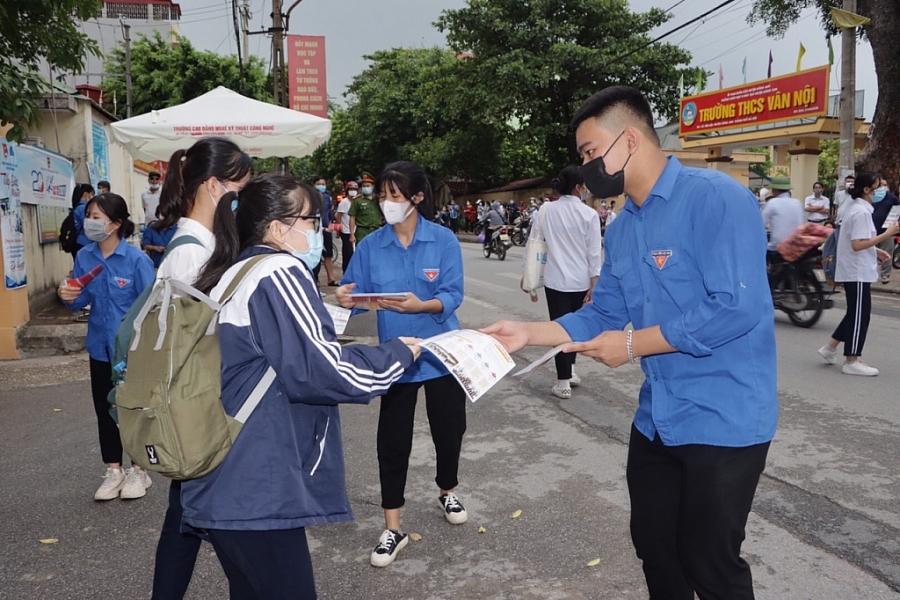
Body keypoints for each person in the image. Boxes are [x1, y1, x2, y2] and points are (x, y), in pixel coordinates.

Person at [483, 86, 776, 599]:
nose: (587, 166)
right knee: (656, 550)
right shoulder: (621, 229)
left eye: (591, 152)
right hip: (658, 420)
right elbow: (602, 315)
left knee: (709, 563)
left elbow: (737, 306)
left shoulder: (714, 197)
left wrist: (635, 344)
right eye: (582, 157)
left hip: (724, 418)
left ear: (631, 139)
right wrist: (527, 333)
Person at [182, 174, 419, 599]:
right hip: (257, 485)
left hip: (229, 478)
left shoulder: (235, 271)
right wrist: (400, 354)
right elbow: (321, 371)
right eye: (312, 220)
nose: (319, 230)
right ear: (278, 228)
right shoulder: (278, 270)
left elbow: (286, 346)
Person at [335, 161, 468, 569]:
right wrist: (343, 298)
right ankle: (393, 526)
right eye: (382, 196)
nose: (386, 203)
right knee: (393, 440)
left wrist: (422, 304)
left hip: (442, 352)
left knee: (450, 429)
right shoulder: (372, 246)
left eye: (395, 196)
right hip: (396, 357)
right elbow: (355, 296)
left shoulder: (443, 240)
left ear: (417, 198)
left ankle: (447, 488)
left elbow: (452, 294)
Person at [150, 136, 252, 600]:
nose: (243, 197)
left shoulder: (205, 242)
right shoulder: (191, 251)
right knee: (226, 526)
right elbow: (192, 340)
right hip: (200, 401)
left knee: (187, 521)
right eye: (240, 186)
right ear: (214, 185)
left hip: (201, 400)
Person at [57, 193, 156, 501]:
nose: (90, 221)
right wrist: (68, 296)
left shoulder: (137, 260)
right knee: (105, 410)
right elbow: (82, 299)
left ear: (115, 224)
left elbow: (152, 306)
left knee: (133, 409)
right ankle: (114, 470)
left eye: (97, 216)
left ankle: (139, 469)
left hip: (131, 351)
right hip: (100, 347)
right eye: (89, 214)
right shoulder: (85, 256)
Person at [522, 165, 602, 399]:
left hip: (555, 280)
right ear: (579, 187)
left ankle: (564, 381)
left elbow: (533, 243)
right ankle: (570, 372)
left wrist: (526, 274)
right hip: (581, 280)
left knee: (559, 330)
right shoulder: (590, 215)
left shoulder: (546, 210)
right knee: (575, 328)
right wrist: (594, 282)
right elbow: (594, 253)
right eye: (585, 185)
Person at [818, 172, 899, 376]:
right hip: (857, 271)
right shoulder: (861, 212)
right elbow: (857, 244)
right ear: (866, 189)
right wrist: (887, 235)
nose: (882, 189)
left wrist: (876, 250)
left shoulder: (857, 209)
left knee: (856, 312)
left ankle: (830, 348)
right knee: (860, 315)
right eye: (878, 185)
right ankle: (852, 359)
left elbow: (856, 241)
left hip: (856, 268)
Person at [761, 177, 805, 254]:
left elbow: (760, 223)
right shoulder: (798, 203)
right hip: (796, 247)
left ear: (775, 190)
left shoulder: (772, 202)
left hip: (777, 248)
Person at [870, 177, 900, 284]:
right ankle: (872, 273)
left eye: (884, 184)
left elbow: (897, 212)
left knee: (887, 252)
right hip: (872, 229)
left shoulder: (892, 198)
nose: (882, 187)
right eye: (880, 185)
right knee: (872, 253)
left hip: (887, 230)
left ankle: (885, 275)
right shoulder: (872, 198)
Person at [312, 176, 337, 286]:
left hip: (327, 228)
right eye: (319, 184)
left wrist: (331, 224)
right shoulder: (311, 196)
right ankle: (315, 279)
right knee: (316, 253)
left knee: (328, 254)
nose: (321, 186)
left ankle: (331, 278)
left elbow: (330, 212)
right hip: (315, 229)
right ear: (314, 185)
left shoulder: (327, 197)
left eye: (323, 184)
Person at [350, 172, 382, 244]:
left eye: (368, 186)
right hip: (362, 232)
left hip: (377, 231)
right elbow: (352, 217)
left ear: (373, 186)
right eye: (364, 186)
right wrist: (352, 234)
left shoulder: (378, 199)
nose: (366, 188)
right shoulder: (357, 200)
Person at [336, 181, 357, 271]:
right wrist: (338, 230)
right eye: (351, 189)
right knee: (347, 254)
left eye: (354, 189)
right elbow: (338, 217)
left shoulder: (357, 202)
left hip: (356, 230)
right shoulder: (344, 203)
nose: (353, 191)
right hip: (346, 231)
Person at [72, 183, 96, 254]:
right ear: (86, 194)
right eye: (91, 194)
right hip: (84, 243)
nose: (92, 197)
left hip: (79, 242)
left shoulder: (78, 207)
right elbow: (88, 225)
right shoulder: (83, 208)